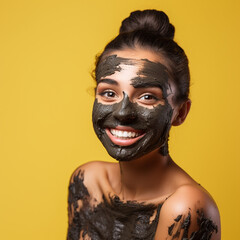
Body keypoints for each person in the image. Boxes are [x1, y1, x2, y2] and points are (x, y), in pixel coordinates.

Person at [67, 9, 221, 240]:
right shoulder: (86, 181)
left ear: (180, 113)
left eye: (147, 97)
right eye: (109, 93)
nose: (122, 113)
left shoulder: (185, 208)